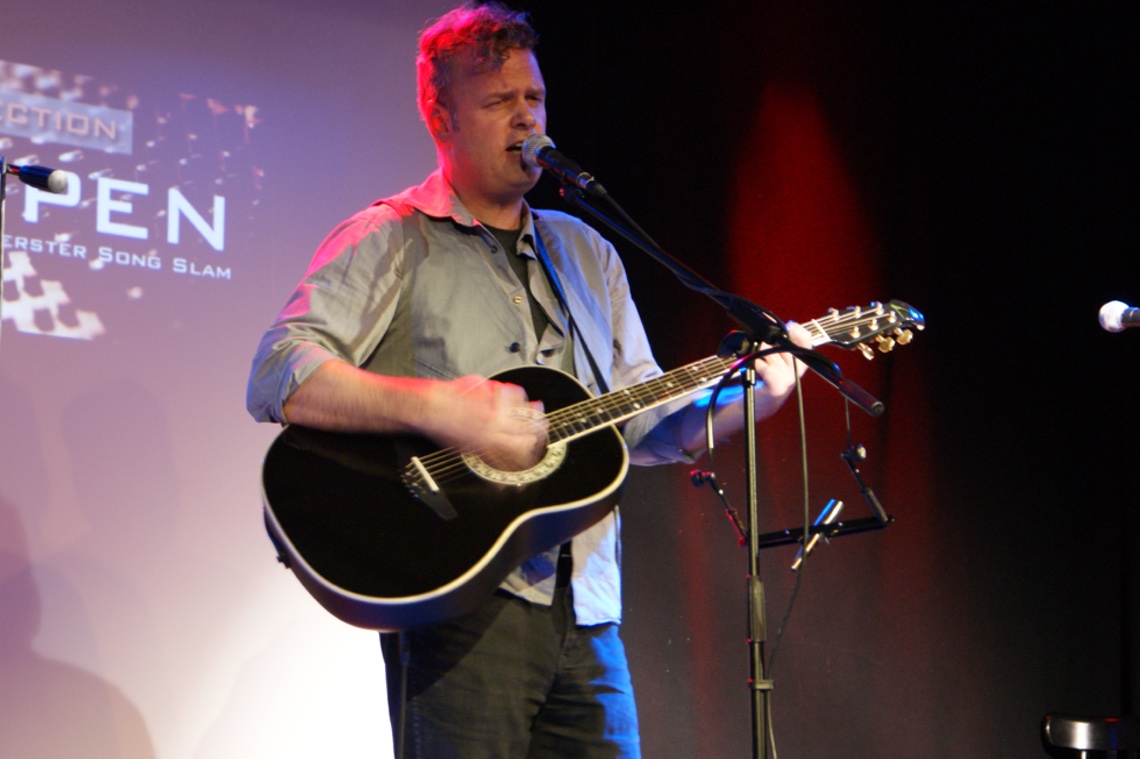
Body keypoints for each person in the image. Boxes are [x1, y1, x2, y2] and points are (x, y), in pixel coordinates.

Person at [247, 3, 809, 756]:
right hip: (460, 606)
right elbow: (279, 370)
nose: (526, 119)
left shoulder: (587, 252)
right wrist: (444, 408)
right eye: (498, 101)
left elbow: (642, 424)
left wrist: (751, 398)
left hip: (590, 608)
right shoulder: (392, 235)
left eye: (534, 98)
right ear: (441, 118)